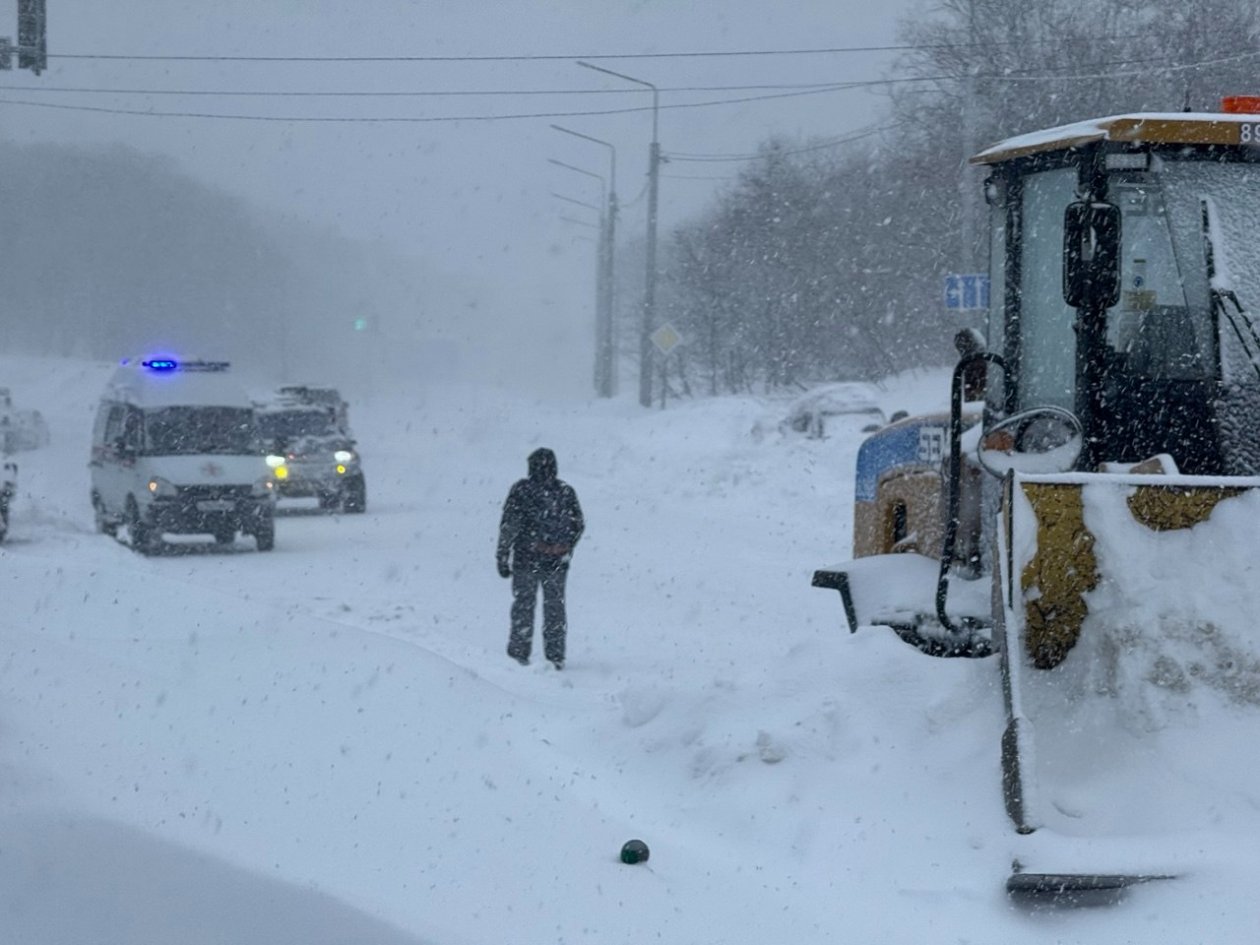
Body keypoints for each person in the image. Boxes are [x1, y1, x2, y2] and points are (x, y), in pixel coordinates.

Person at [496, 447, 584, 669]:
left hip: (526, 558)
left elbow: (510, 525)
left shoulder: (522, 490)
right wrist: (563, 548)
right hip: (556, 561)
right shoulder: (565, 492)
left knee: (524, 605)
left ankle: (519, 654)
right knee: (554, 608)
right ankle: (555, 657)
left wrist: (503, 555)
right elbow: (578, 524)